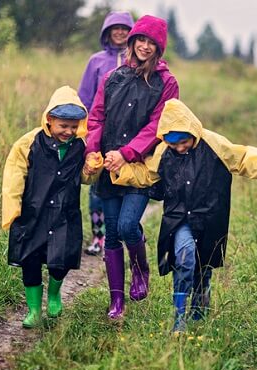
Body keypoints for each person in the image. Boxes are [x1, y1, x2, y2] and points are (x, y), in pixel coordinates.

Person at [109, 99, 257, 332]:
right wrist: (120, 171)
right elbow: (146, 174)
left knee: (204, 264)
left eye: (184, 142)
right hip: (179, 218)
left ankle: (200, 300)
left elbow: (244, 158)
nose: (180, 148)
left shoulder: (214, 143)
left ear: (193, 132)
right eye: (174, 145)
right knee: (184, 259)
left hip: (209, 217)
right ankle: (179, 318)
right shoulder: (165, 150)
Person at [83, 15, 179, 319]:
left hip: (138, 169)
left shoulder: (166, 83)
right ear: (132, 40)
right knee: (112, 234)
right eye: (141, 40)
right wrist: (92, 151)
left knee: (127, 226)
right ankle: (117, 301)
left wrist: (127, 153)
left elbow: (158, 125)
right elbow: (96, 117)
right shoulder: (113, 76)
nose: (145, 47)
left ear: (159, 47)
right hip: (109, 168)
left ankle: (141, 271)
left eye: (152, 43)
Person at [2, 86, 102, 328]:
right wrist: (12, 208)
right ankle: (34, 310)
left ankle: (55, 294)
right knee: (31, 261)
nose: (68, 131)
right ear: (49, 119)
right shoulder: (29, 143)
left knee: (62, 260)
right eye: (63, 126)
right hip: (33, 212)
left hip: (64, 214)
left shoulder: (81, 146)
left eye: (73, 126)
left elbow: (85, 179)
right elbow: (14, 174)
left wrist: (92, 168)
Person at [78, 11, 134, 256]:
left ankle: (121, 231)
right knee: (96, 185)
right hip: (99, 132)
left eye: (125, 28)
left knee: (126, 182)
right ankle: (98, 236)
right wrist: (85, 131)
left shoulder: (138, 61)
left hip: (128, 136)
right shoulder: (96, 61)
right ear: (107, 31)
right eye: (115, 28)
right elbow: (85, 97)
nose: (120, 32)